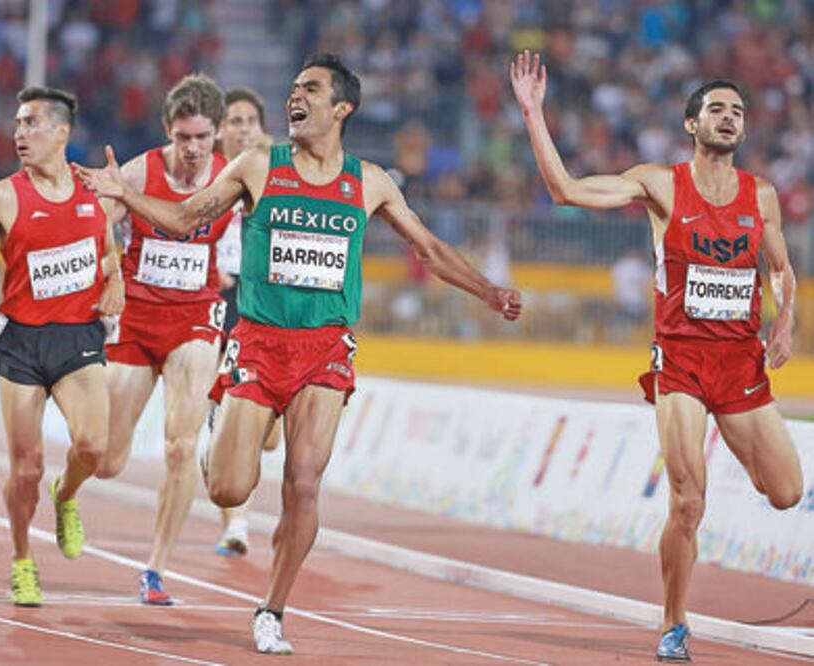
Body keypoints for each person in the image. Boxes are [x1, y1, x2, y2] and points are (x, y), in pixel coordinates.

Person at [78, 52, 522, 654]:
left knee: (304, 485)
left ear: (341, 108)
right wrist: (123, 196)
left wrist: (489, 292)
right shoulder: (259, 165)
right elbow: (185, 219)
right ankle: (223, 425)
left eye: (310, 89)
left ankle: (272, 610)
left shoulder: (369, 182)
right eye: (293, 87)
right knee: (230, 490)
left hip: (325, 348)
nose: (296, 96)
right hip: (259, 343)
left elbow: (431, 249)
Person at [510, 51, 803, 663]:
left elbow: (781, 268)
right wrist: (535, 114)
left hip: (741, 364)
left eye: (738, 111)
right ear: (691, 124)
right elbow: (565, 191)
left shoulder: (763, 196)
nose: (730, 117)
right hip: (682, 362)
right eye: (716, 109)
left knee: (784, 490)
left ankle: (739, 451)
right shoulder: (660, 183)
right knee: (687, 500)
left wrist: (785, 321)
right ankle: (674, 621)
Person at [0, 86, 124, 607]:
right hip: (21, 344)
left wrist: (115, 281)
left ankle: (67, 497)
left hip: (78, 337)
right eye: (17, 124)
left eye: (31, 123)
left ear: (62, 132)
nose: (19, 133)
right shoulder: (2, 196)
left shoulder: (94, 193)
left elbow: (107, 255)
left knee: (94, 449)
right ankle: (22, 560)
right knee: (26, 467)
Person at [92, 73, 234, 606]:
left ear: (217, 134)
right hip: (136, 318)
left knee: (181, 446)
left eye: (202, 137)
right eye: (184, 138)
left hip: (196, 318)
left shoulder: (229, 177)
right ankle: (72, 487)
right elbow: (99, 223)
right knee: (108, 459)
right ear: (167, 133)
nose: (193, 149)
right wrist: (110, 273)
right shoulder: (137, 172)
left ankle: (155, 567)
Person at [212, 86, 281, 558]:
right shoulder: (209, 174)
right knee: (231, 408)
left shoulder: (278, 171)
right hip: (217, 299)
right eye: (232, 121)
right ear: (219, 132)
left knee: (271, 438)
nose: (241, 128)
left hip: (264, 297)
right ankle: (236, 520)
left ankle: (218, 453)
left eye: (249, 121)